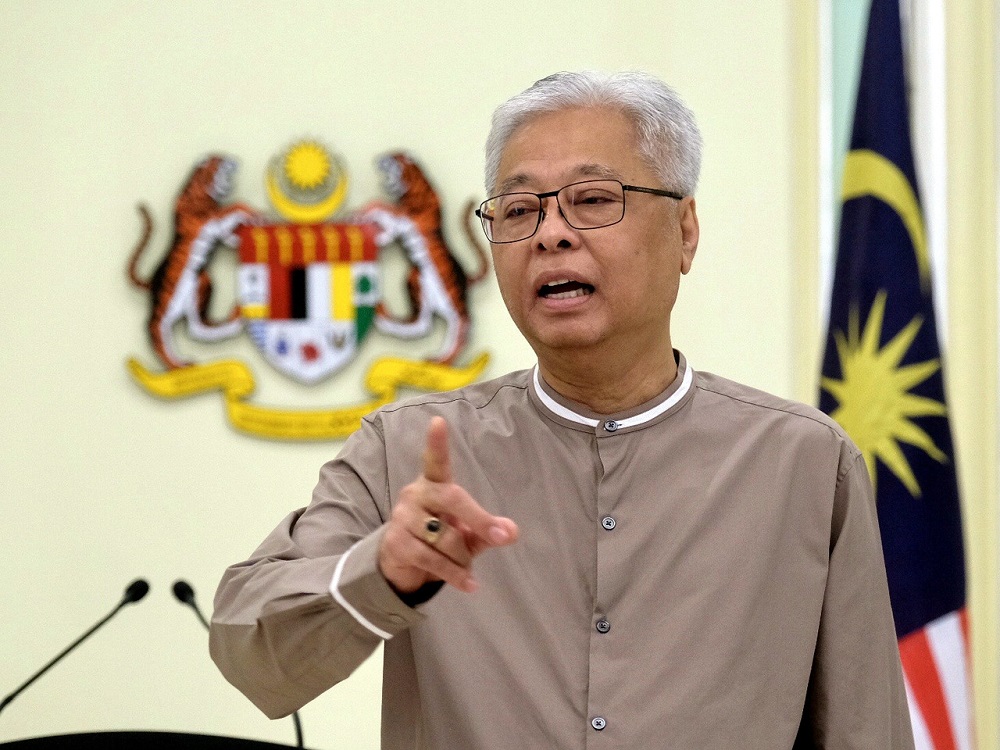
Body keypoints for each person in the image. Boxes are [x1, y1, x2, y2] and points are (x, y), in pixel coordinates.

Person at [210, 70, 914, 749]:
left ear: (685, 232)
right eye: (518, 210)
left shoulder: (804, 464)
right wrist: (381, 572)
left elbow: (864, 729)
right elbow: (250, 651)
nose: (550, 234)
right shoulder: (407, 451)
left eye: (594, 199)